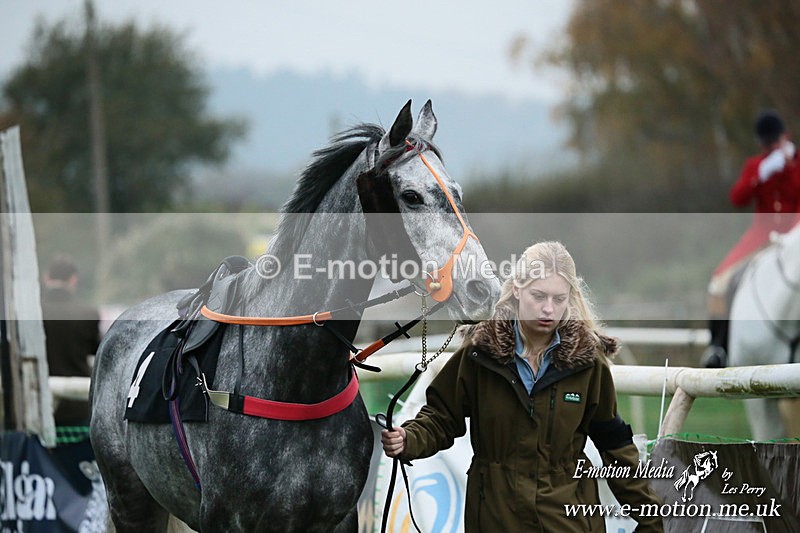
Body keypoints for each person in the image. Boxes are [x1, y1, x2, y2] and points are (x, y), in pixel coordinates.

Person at [381, 241, 664, 532]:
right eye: (538, 296)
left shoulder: (589, 363)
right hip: (494, 518)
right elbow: (441, 418)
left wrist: (652, 521)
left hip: (568, 521)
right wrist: (409, 439)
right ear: (517, 289)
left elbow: (614, 445)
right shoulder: (479, 353)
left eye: (558, 298)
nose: (548, 309)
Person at [701, 110, 800, 368]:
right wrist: (761, 175)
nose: (771, 148)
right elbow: (737, 198)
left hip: (795, 237)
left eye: (774, 142)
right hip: (761, 238)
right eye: (766, 145)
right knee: (719, 282)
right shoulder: (757, 166)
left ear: (785, 137)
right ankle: (718, 347)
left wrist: (789, 169)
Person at [41, 254, 101, 426]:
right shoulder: (88, 314)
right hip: (78, 408)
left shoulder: (32, 313)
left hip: (39, 407)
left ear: (46, 278)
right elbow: (97, 350)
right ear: (74, 280)